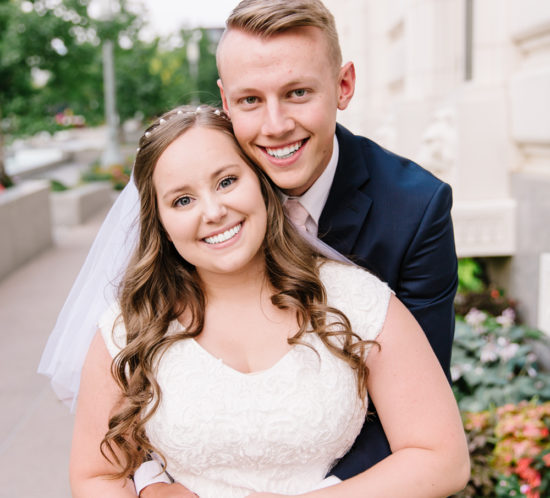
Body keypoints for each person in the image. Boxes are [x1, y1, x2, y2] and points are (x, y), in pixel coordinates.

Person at [38, 0, 459, 494]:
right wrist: (150, 478)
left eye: (298, 92)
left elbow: (423, 427)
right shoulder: (214, 165)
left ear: (343, 86)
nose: (275, 126)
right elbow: (102, 458)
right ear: (226, 102)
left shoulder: (408, 217)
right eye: (251, 101)